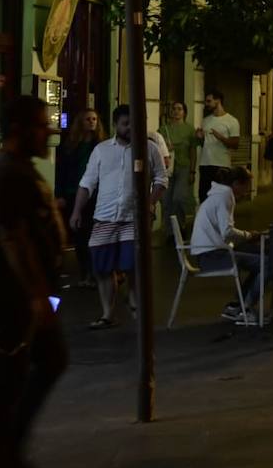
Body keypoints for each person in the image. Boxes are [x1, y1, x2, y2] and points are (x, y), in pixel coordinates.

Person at [0, 96, 68, 468]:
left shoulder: (21, 168)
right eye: (42, 125)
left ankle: (3, 451)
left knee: (41, 363)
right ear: (19, 130)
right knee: (6, 377)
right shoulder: (7, 172)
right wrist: (37, 295)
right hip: (9, 297)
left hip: (27, 295)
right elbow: (14, 239)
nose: (49, 131)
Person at [71, 104, 167, 329]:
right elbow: (87, 183)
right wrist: (76, 211)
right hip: (104, 216)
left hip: (134, 218)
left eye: (134, 123)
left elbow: (162, 179)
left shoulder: (149, 149)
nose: (130, 128)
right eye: (125, 124)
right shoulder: (101, 150)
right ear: (116, 125)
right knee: (103, 268)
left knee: (132, 263)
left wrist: (150, 203)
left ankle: (133, 299)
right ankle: (107, 313)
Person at [190, 166, 265, 321]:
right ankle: (244, 307)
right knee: (266, 264)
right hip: (212, 256)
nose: (246, 193)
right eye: (246, 188)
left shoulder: (218, 194)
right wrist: (249, 235)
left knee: (258, 256)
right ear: (237, 183)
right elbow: (227, 232)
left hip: (208, 253)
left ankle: (237, 305)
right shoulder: (225, 196)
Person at [54, 109, 104, 288]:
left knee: (92, 233)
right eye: (88, 119)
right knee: (80, 235)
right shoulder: (70, 146)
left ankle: (93, 272)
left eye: (94, 119)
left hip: (94, 194)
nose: (92, 122)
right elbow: (62, 172)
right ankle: (85, 272)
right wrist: (59, 194)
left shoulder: (100, 146)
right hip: (73, 192)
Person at [159, 101, 197, 238]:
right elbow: (156, 148)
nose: (176, 111)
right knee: (167, 199)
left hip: (184, 167)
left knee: (179, 198)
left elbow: (193, 151)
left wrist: (193, 171)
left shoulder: (189, 130)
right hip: (167, 168)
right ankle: (170, 231)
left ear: (184, 112)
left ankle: (180, 225)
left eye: (179, 109)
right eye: (174, 109)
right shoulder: (164, 129)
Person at [196, 88, 239, 201]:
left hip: (221, 164)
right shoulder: (206, 120)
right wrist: (200, 138)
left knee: (220, 198)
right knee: (204, 197)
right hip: (205, 163)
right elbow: (203, 143)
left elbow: (235, 144)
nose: (207, 104)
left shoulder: (231, 121)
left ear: (218, 101)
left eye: (209, 101)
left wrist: (221, 137)